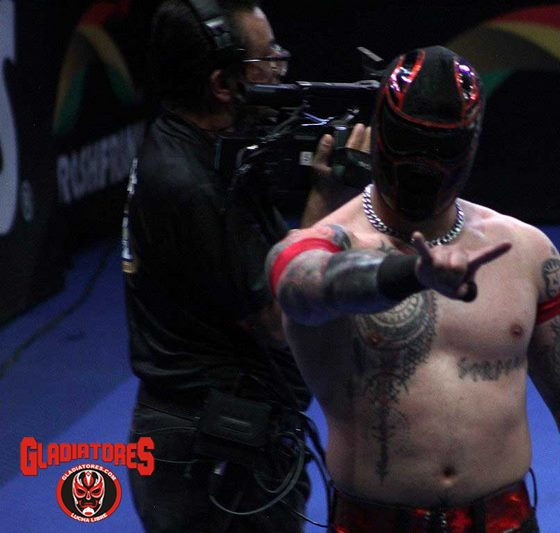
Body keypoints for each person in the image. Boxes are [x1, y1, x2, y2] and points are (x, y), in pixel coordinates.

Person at [267, 45, 560, 532]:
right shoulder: (325, 244)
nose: (421, 165)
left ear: (469, 147)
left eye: (438, 149)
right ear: (382, 134)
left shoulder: (524, 250)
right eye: (411, 143)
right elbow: (301, 286)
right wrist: (409, 274)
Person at [121, 1, 369, 531]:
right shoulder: (190, 185)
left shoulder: (194, 145)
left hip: (213, 427)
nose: (280, 68)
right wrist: (326, 200)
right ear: (222, 84)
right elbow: (280, 318)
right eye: (267, 59)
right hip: (211, 451)